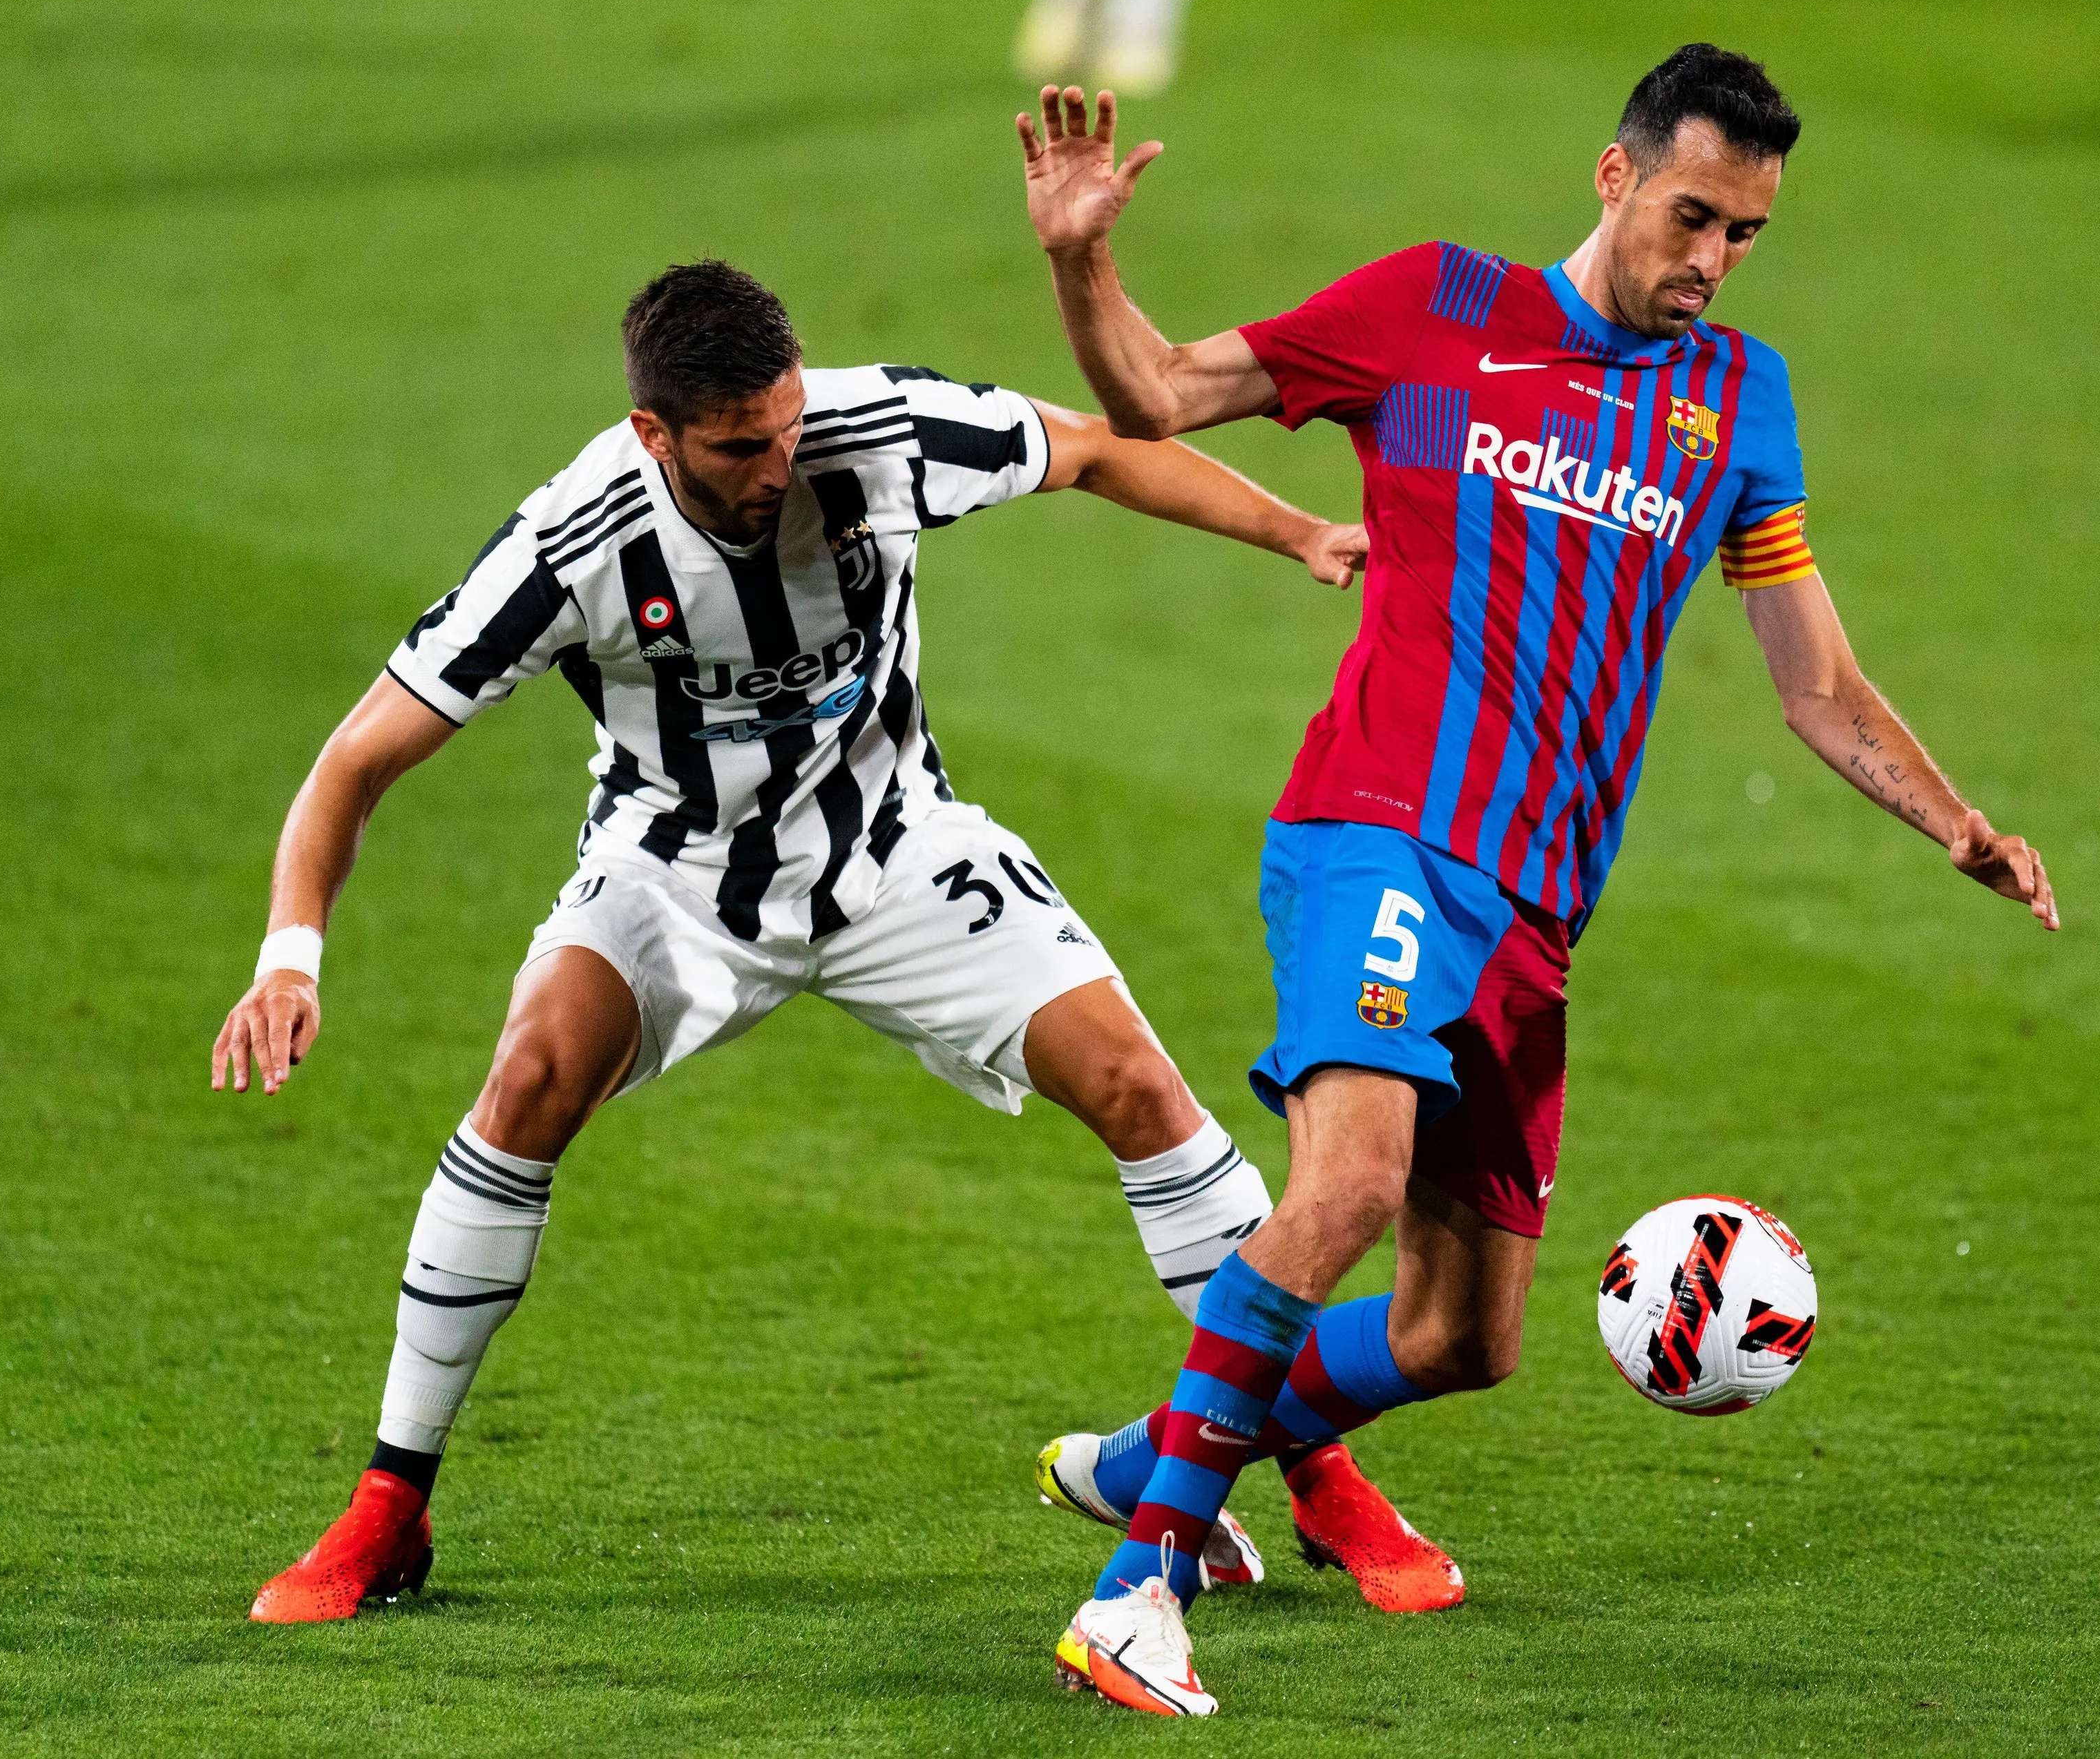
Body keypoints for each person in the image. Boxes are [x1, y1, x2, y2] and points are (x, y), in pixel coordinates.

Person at [1016, 44, 2059, 1715]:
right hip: (1377, 829)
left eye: (1746, 236)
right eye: (1694, 216)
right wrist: (1084, 262)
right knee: (1348, 1185)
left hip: (1534, 904)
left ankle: (1152, 1455)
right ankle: (1137, 1586)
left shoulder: (1736, 403)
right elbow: (1156, 394)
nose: (1711, 260)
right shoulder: (1435, 312)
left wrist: (1957, 822)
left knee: (1461, 1336)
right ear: (1614, 176)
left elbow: (1814, 679)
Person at [215, 258, 1401, 1622]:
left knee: (1143, 1088)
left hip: (896, 847)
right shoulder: (572, 543)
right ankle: (386, 1504)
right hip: (676, 874)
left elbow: (1090, 451)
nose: (781, 460)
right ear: (657, 434)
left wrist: (1295, 531)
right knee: (530, 1076)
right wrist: (289, 954)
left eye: (785, 425)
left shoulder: (872, 430)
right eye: (740, 444)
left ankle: (1319, 1471)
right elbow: (358, 755)